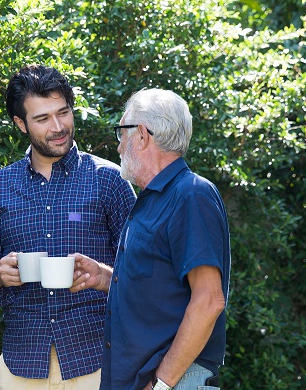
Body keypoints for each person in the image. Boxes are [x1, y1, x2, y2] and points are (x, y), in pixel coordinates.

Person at [0, 64, 136, 389]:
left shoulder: (110, 180)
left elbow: (146, 271)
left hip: (97, 361)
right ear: (20, 124)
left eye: (63, 112)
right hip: (22, 364)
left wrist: (105, 276)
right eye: (42, 119)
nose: (58, 127)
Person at [70, 88, 231, 390]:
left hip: (174, 383)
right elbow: (161, 288)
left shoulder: (191, 195)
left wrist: (161, 384)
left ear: (142, 135)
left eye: (122, 133)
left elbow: (209, 300)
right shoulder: (154, 198)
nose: (118, 147)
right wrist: (105, 277)